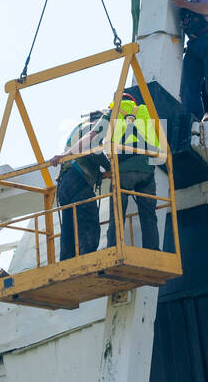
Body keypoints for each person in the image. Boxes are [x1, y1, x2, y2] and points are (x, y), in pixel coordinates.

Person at [106, 89, 162, 252]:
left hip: (124, 171)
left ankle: (114, 248)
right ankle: (153, 250)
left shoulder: (112, 112)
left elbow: (106, 145)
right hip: (146, 171)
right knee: (149, 214)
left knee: (117, 213)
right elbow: (156, 143)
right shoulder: (143, 110)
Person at [51, 109, 111, 261]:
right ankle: (88, 259)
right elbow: (94, 150)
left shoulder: (78, 129)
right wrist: (110, 167)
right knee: (88, 220)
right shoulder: (92, 128)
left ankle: (67, 260)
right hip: (78, 179)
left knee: (69, 225)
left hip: (65, 182)